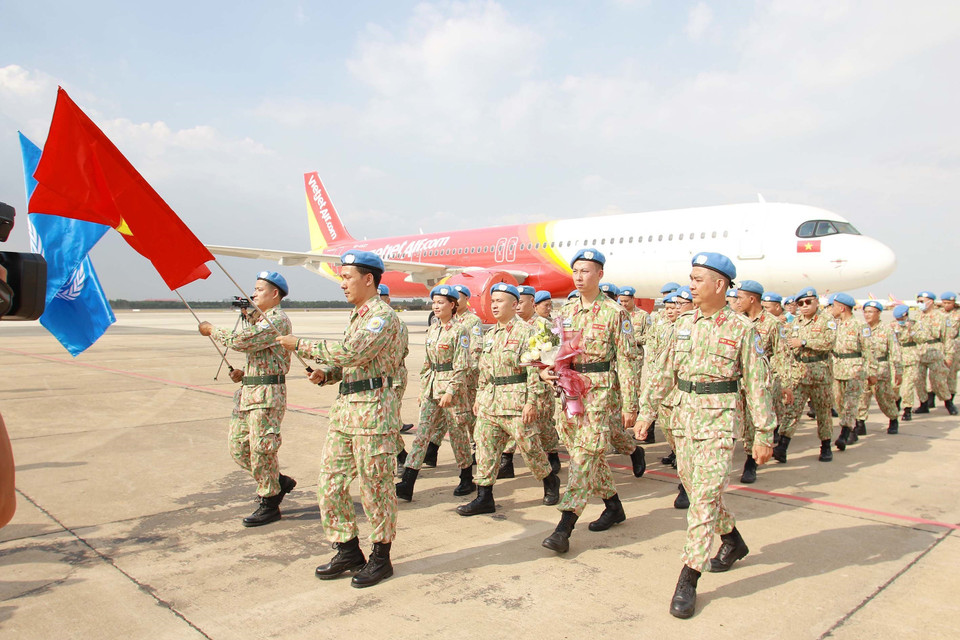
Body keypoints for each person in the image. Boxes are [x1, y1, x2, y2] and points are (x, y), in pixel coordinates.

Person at [636, 252, 775, 619]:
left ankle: (689, 577)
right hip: (682, 420)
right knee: (699, 490)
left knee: (702, 500)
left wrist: (764, 433)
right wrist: (647, 413)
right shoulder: (682, 324)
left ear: (720, 284)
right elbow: (664, 372)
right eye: (691, 278)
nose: (691, 285)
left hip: (718, 422)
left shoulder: (742, 329)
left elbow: (759, 385)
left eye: (698, 279)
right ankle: (732, 541)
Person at [277, 251, 403, 588]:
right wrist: (328, 373)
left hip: (373, 414)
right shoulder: (358, 317)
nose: (342, 283)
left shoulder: (382, 318)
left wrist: (300, 344)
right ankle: (347, 548)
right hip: (346, 412)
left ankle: (381, 555)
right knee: (329, 485)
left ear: (368, 279)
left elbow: (354, 353)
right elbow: (350, 363)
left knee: (376, 488)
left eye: (347, 277)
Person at [540, 248, 640, 555]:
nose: (579, 276)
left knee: (584, 457)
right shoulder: (566, 313)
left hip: (599, 395)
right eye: (576, 271)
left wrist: (631, 404)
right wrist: (546, 371)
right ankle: (613, 506)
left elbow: (627, 359)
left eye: (586, 271)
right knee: (587, 454)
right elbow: (554, 350)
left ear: (600, 274)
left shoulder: (615, 313)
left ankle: (564, 527)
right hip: (570, 393)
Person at [199, 271, 294, 527]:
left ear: (275, 294)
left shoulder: (277, 320)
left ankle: (270, 501)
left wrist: (211, 330)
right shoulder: (260, 320)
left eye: (259, 290)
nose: (254, 294)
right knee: (239, 448)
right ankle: (277, 481)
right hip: (249, 392)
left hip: (266, 396)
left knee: (262, 450)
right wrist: (245, 373)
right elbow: (258, 354)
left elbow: (242, 341)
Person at [457, 283, 561, 516]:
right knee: (485, 448)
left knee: (530, 447)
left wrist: (531, 402)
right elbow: (486, 369)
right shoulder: (491, 334)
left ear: (514, 305)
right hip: (490, 402)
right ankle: (484, 497)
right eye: (492, 301)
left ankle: (549, 480)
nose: (494, 305)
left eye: (500, 301)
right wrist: (479, 396)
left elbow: (534, 371)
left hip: (516, 401)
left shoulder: (528, 332)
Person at [395, 285, 475, 501]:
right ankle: (408, 483)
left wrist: (451, 390)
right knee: (422, 435)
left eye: (441, 302)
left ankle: (467, 477)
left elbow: (462, 365)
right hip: (432, 388)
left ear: (452, 304)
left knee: (458, 436)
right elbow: (427, 364)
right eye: (434, 303)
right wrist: (423, 389)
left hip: (452, 390)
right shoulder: (432, 330)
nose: (436, 306)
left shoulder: (461, 330)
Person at [735, 280, 792, 483]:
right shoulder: (736, 321)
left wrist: (786, 384)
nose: (736, 301)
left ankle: (751, 463)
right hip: (737, 382)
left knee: (755, 422)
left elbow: (782, 355)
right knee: (742, 424)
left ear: (752, 299)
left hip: (759, 382)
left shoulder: (773, 324)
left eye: (740, 297)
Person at [775, 288, 837, 463]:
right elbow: (786, 342)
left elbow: (829, 342)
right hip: (799, 373)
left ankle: (825, 446)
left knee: (823, 411)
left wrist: (803, 342)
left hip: (820, 374)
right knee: (792, 410)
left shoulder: (827, 320)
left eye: (808, 302)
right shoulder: (796, 322)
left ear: (816, 302)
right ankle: (782, 446)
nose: (804, 306)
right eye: (800, 303)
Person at [829, 293, 877, 450]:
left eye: (834, 306)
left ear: (842, 308)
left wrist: (872, 371)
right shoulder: (834, 324)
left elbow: (869, 350)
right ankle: (851, 427)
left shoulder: (860, 326)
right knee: (839, 402)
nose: (831, 309)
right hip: (837, 369)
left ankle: (844, 433)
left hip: (854, 369)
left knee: (850, 403)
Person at [858, 301, 902, 434]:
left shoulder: (887, 330)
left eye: (871, 311)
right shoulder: (861, 328)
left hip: (880, 369)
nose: (867, 315)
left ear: (878, 313)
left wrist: (898, 371)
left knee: (884, 398)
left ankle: (893, 418)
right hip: (864, 368)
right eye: (865, 312)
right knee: (862, 397)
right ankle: (860, 423)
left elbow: (895, 351)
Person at [380, 284, 415, 439]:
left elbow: (401, 350)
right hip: (379, 376)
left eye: (380, 299)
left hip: (393, 375)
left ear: (388, 300)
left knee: (390, 411)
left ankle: (399, 453)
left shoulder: (397, 324)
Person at [913, 291, 956, 415]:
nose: (920, 304)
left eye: (922, 301)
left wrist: (949, 356)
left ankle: (948, 402)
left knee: (938, 380)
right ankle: (923, 404)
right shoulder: (917, 316)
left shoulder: (942, 317)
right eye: (918, 301)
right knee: (918, 380)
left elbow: (948, 338)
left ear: (930, 301)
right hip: (920, 351)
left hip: (936, 350)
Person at [892, 305, 920, 422]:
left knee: (907, 387)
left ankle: (907, 409)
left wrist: (911, 330)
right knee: (894, 385)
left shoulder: (915, 324)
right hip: (896, 358)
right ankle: (896, 402)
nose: (900, 322)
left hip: (910, 357)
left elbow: (922, 338)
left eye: (901, 319)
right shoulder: (892, 325)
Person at [939, 292, 960, 411]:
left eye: (949, 303)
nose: (947, 305)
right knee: (936, 373)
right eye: (945, 303)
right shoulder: (937, 314)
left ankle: (950, 401)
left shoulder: (958, 314)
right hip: (938, 346)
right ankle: (929, 401)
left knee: (951, 373)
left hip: (954, 346)